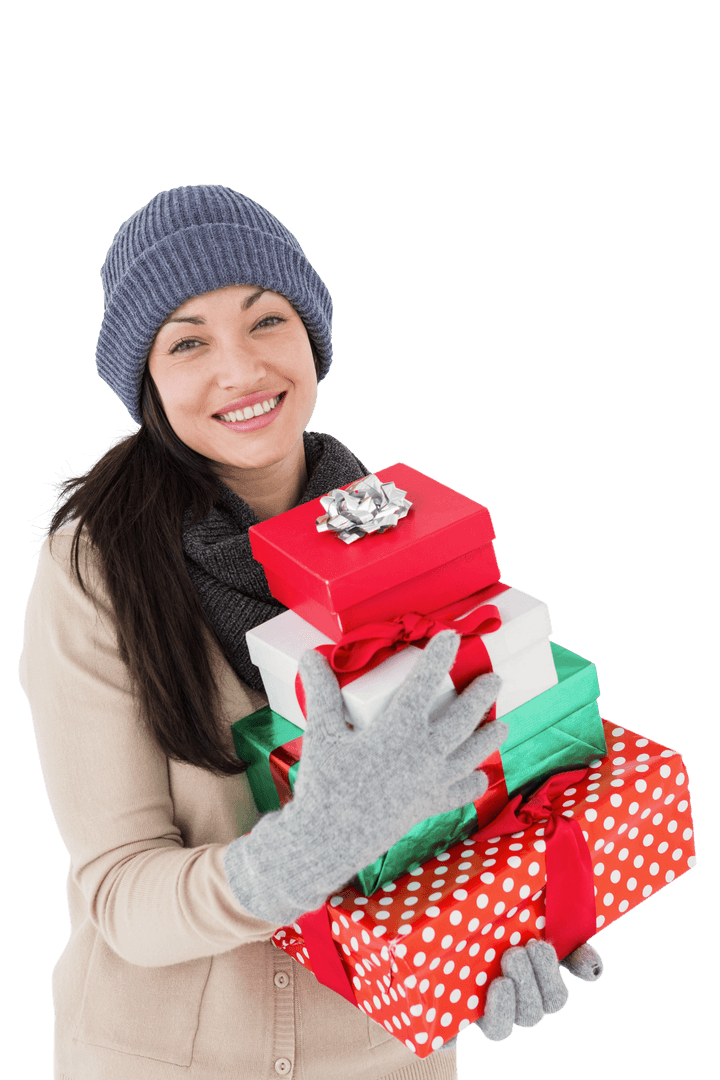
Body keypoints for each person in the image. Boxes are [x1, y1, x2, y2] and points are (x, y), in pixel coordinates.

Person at [19, 184, 603, 1080]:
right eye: (187, 341)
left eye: (266, 321)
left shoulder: (409, 535)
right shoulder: (95, 570)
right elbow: (119, 893)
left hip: (385, 1056)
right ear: (147, 381)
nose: (241, 369)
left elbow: (471, 802)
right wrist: (309, 848)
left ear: (313, 334)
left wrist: (506, 926)